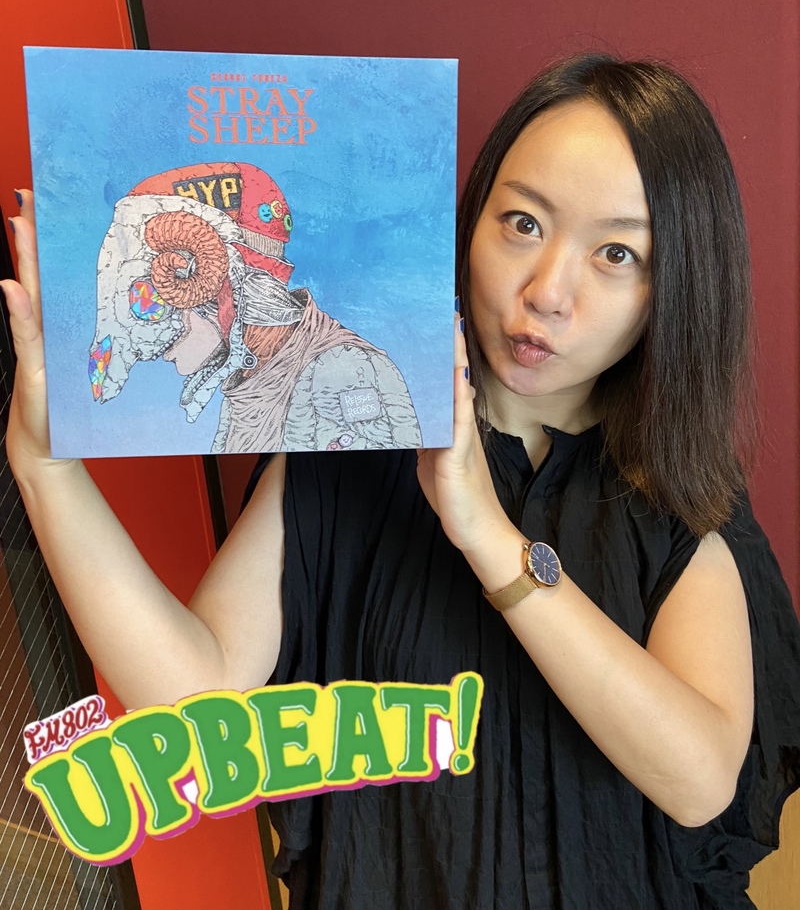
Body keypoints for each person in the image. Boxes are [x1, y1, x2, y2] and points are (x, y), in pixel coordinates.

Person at [4, 53, 800, 909]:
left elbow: (698, 778)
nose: (546, 292)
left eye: (616, 252)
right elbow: (190, 694)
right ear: (471, 219)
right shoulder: (347, 425)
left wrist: (487, 534)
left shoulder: (678, 489)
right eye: (523, 222)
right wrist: (47, 470)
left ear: (673, 283)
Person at [88, 161, 422, 453]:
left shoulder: (345, 370)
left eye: (161, 296)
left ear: (218, 285)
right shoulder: (249, 379)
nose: (158, 338)